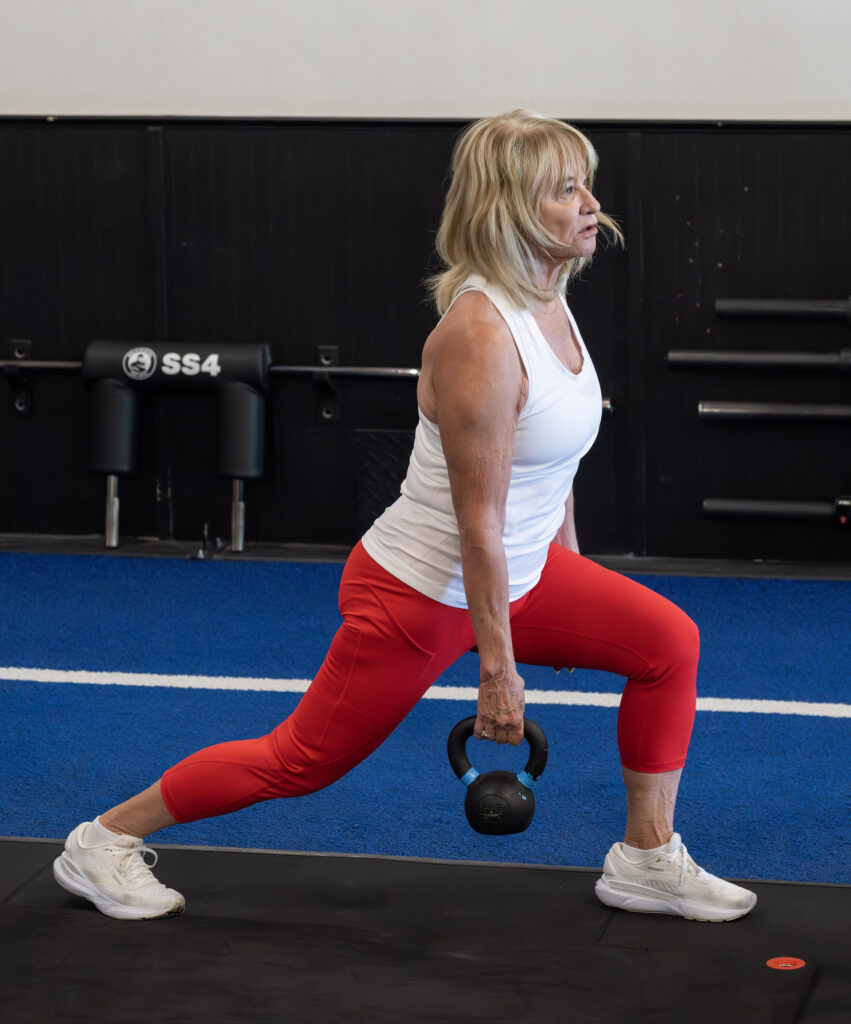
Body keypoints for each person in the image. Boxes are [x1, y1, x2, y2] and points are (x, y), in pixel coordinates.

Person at [53, 109, 756, 924]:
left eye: (586, 185)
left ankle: (645, 858)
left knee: (667, 643)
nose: (591, 204)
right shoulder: (481, 336)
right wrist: (499, 671)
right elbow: (477, 523)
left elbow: (550, 461)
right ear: (510, 209)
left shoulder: (551, 299)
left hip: (516, 574)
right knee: (302, 760)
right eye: (566, 190)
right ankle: (103, 840)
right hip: (418, 590)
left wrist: (569, 568)